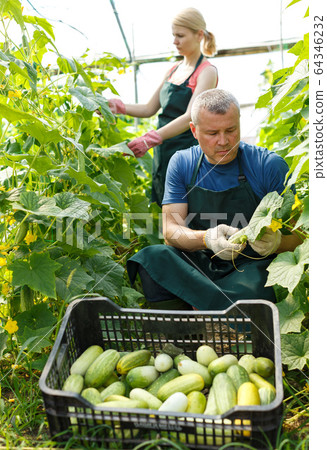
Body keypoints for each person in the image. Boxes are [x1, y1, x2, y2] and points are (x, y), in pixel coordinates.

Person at [126, 88, 303, 310]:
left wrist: (278, 243)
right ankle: (181, 334)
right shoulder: (182, 163)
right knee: (154, 259)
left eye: (231, 130)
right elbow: (171, 231)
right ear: (194, 130)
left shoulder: (268, 165)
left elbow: (300, 237)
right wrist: (207, 239)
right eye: (212, 133)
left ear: (239, 123)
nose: (223, 141)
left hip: (251, 265)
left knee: (261, 287)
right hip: (200, 261)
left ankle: (212, 316)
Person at [108, 8, 218, 206]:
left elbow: (190, 117)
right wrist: (117, 107)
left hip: (187, 151)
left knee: (186, 208)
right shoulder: (173, 71)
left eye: (180, 36)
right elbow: (149, 109)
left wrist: (150, 139)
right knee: (164, 207)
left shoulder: (206, 72)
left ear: (199, 35)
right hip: (163, 150)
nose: (175, 41)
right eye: (173, 35)